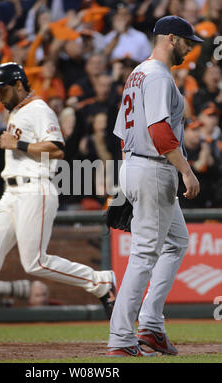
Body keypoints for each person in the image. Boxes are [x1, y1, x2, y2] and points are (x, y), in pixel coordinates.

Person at [0, 62, 116, 339]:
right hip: (12, 191)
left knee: (35, 263)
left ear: (19, 85)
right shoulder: (17, 110)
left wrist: (18, 145)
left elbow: (57, 149)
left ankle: (99, 281)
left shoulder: (39, 109)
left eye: (2, 90)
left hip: (35, 189)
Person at [106, 16, 202, 358]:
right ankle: (121, 338)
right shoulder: (159, 75)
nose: (191, 49)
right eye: (188, 42)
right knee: (145, 254)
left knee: (177, 242)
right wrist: (187, 173)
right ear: (172, 39)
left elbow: (122, 134)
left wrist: (128, 179)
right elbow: (160, 132)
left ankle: (150, 326)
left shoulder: (137, 73)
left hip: (137, 164)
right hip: (154, 167)